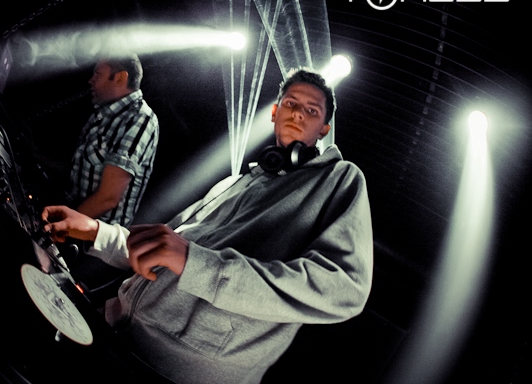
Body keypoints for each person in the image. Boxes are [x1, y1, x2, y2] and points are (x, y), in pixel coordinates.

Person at [43, 68, 373, 384]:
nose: (298, 113)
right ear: (274, 112)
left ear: (324, 129)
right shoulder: (235, 182)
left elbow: (343, 288)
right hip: (112, 327)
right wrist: (94, 230)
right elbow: (164, 246)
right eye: (291, 103)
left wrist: (198, 264)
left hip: (174, 372)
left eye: (312, 110)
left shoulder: (340, 178)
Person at [65, 54, 159, 226]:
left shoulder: (140, 118)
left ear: (120, 78)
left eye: (98, 74)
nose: (91, 80)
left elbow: (108, 198)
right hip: (74, 217)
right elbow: (77, 169)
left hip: (90, 236)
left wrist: (62, 225)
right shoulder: (103, 112)